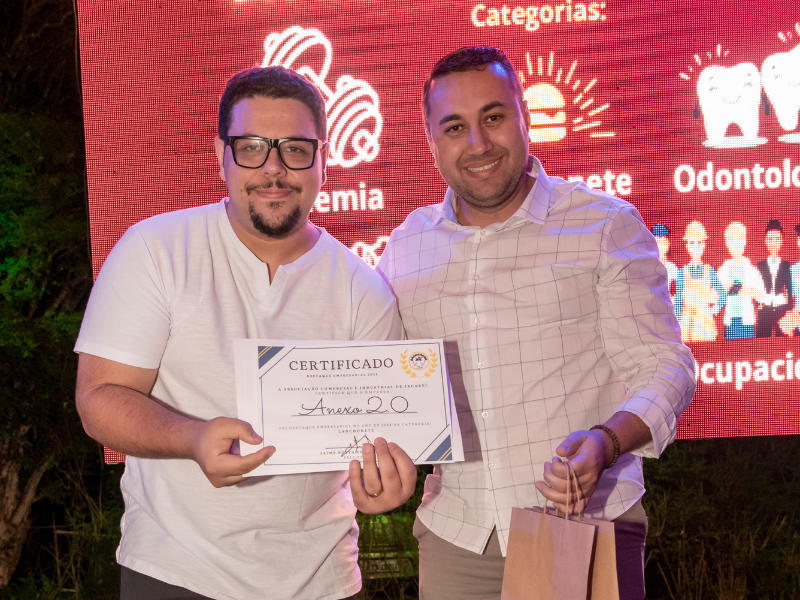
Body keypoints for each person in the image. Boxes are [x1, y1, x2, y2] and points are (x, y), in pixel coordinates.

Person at [73, 66, 417, 600]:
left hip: (322, 582)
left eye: (296, 149)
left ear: (324, 160)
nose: (274, 168)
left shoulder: (364, 289)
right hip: (175, 572)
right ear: (222, 156)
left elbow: (378, 442)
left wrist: (379, 484)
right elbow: (98, 398)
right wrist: (191, 439)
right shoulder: (156, 250)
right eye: (252, 147)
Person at [375, 47, 696, 600]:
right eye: (455, 127)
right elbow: (383, 384)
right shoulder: (407, 246)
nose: (478, 143)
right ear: (431, 141)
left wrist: (606, 442)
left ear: (524, 118)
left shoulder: (603, 224)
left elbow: (667, 366)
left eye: (493, 117)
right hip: (457, 535)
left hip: (582, 526)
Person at [674, 221, 726, 342]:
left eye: (699, 242)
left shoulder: (709, 271)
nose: (695, 247)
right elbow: (678, 301)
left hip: (705, 324)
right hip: (687, 324)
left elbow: (723, 295)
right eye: (692, 243)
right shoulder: (682, 272)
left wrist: (712, 311)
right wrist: (678, 323)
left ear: (704, 245)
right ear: (687, 245)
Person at [718, 222, 766, 339]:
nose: (736, 243)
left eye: (739, 239)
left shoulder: (752, 270)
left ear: (744, 241)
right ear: (727, 243)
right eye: (732, 239)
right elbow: (714, 296)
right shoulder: (723, 270)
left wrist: (738, 289)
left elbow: (762, 296)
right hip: (730, 321)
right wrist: (728, 289)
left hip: (747, 321)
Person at [756, 219, 792, 337]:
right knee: (762, 338)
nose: (774, 243)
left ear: (782, 241)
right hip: (765, 306)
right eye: (770, 239)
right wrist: (758, 304)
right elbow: (756, 286)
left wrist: (789, 308)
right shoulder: (760, 266)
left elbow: (789, 288)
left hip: (781, 307)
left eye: (777, 239)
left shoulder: (786, 265)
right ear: (765, 241)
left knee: (783, 339)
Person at [652, 223, 678, 310]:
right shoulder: (649, 268)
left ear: (668, 243)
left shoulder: (673, 268)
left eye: (663, 241)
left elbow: (680, 292)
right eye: (657, 242)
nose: (660, 246)